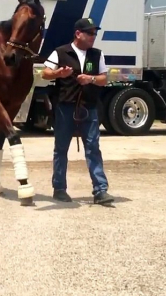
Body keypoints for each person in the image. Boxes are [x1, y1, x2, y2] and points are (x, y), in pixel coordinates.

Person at [41, 17, 114, 205]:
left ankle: (100, 190)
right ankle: (59, 188)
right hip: (66, 106)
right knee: (61, 149)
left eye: (94, 33)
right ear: (78, 34)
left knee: (93, 148)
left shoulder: (97, 54)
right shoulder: (60, 52)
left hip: (89, 107)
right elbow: (44, 73)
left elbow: (103, 79)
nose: (93, 36)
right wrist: (58, 73)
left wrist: (89, 79)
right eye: (89, 33)